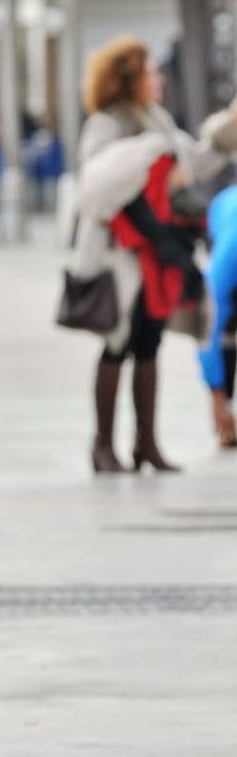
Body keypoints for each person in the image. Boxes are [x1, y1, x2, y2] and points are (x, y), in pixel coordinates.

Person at [73, 35, 237, 473]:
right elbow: (96, 188)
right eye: (150, 73)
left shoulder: (155, 118)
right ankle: (102, 446)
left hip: (156, 252)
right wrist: (142, 159)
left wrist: (229, 128)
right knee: (117, 343)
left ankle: (146, 444)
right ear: (129, 79)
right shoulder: (106, 123)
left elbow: (195, 161)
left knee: (149, 342)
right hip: (121, 253)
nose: (158, 79)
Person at [202, 185, 237, 448]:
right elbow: (206, 334)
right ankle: (224, 415)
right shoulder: (227, 260)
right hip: (221, 212)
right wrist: (217, 397)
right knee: (224, 334)